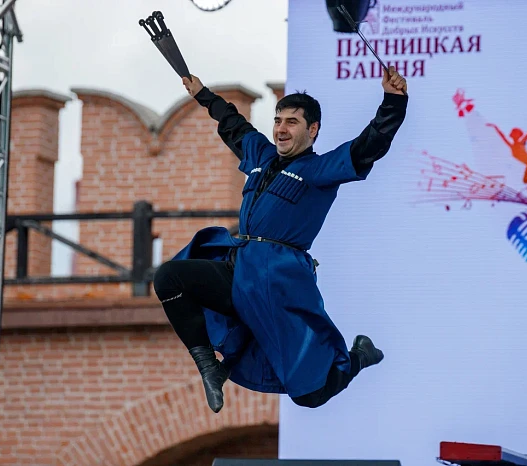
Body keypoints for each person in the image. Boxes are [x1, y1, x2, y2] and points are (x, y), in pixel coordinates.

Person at [153, 66, 409, 413]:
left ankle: (359, 355)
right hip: (240, 268)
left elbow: (369, 145)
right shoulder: (260, 155)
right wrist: (202, 94)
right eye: (278, 120)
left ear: (312, 130)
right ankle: (209, 367)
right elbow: (233, 125)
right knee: (170, 277)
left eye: (291, 122)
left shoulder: (319, 169)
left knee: (309, 393)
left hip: (279, 283)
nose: (281, 129)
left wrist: (393, 103)